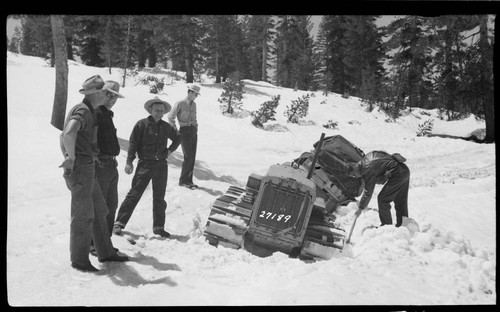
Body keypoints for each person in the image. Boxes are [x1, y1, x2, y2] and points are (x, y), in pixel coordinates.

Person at [59, 75, 129, 273]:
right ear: (97, 93)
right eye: (105, 92)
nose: (107, 96)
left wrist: (68, 155)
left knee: (100, 210)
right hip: (82, 168)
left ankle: (105, 252)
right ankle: (79, 260)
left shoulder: (89, 110)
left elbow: (63, 135)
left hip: (88, 168)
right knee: (83, 215)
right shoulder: (83, 110)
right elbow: (68, 133)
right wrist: (70, 158)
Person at [113, 96, 182, 238]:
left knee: (159, 197)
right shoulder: (142, 125)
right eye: (156, 110)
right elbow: (133, 143)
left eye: (161, 111)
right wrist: (129, 161)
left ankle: (159, 227)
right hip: (145, 164)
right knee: (134, 194)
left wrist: (169, 151)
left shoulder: (165, 126)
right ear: (150, 110)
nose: (159, 113)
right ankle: (119, 223)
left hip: (161, 165)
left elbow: (178, 137)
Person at [346, 151, 410, 227]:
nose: (356, 177)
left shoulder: (366, 169)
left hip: (398, 174)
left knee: (383, 199)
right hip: (404, 170)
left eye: (354, 175)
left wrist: (360, 208)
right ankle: (404, 225)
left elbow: (368, 191)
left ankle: (386, 227)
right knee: (400, 199)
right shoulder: (367, 158)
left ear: (354, 170)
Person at [167, 84, 201, 189]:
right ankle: (183, 181)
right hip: (184, 131)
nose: (196, 96)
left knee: (192, 156)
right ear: (190, 92)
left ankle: (189, 180)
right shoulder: (180, 103)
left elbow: (195, 118)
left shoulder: (194, 105)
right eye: (195, 94)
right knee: (188, 156)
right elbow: (170, 117)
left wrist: (195, 127)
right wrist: (176, 131)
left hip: (193, 131)